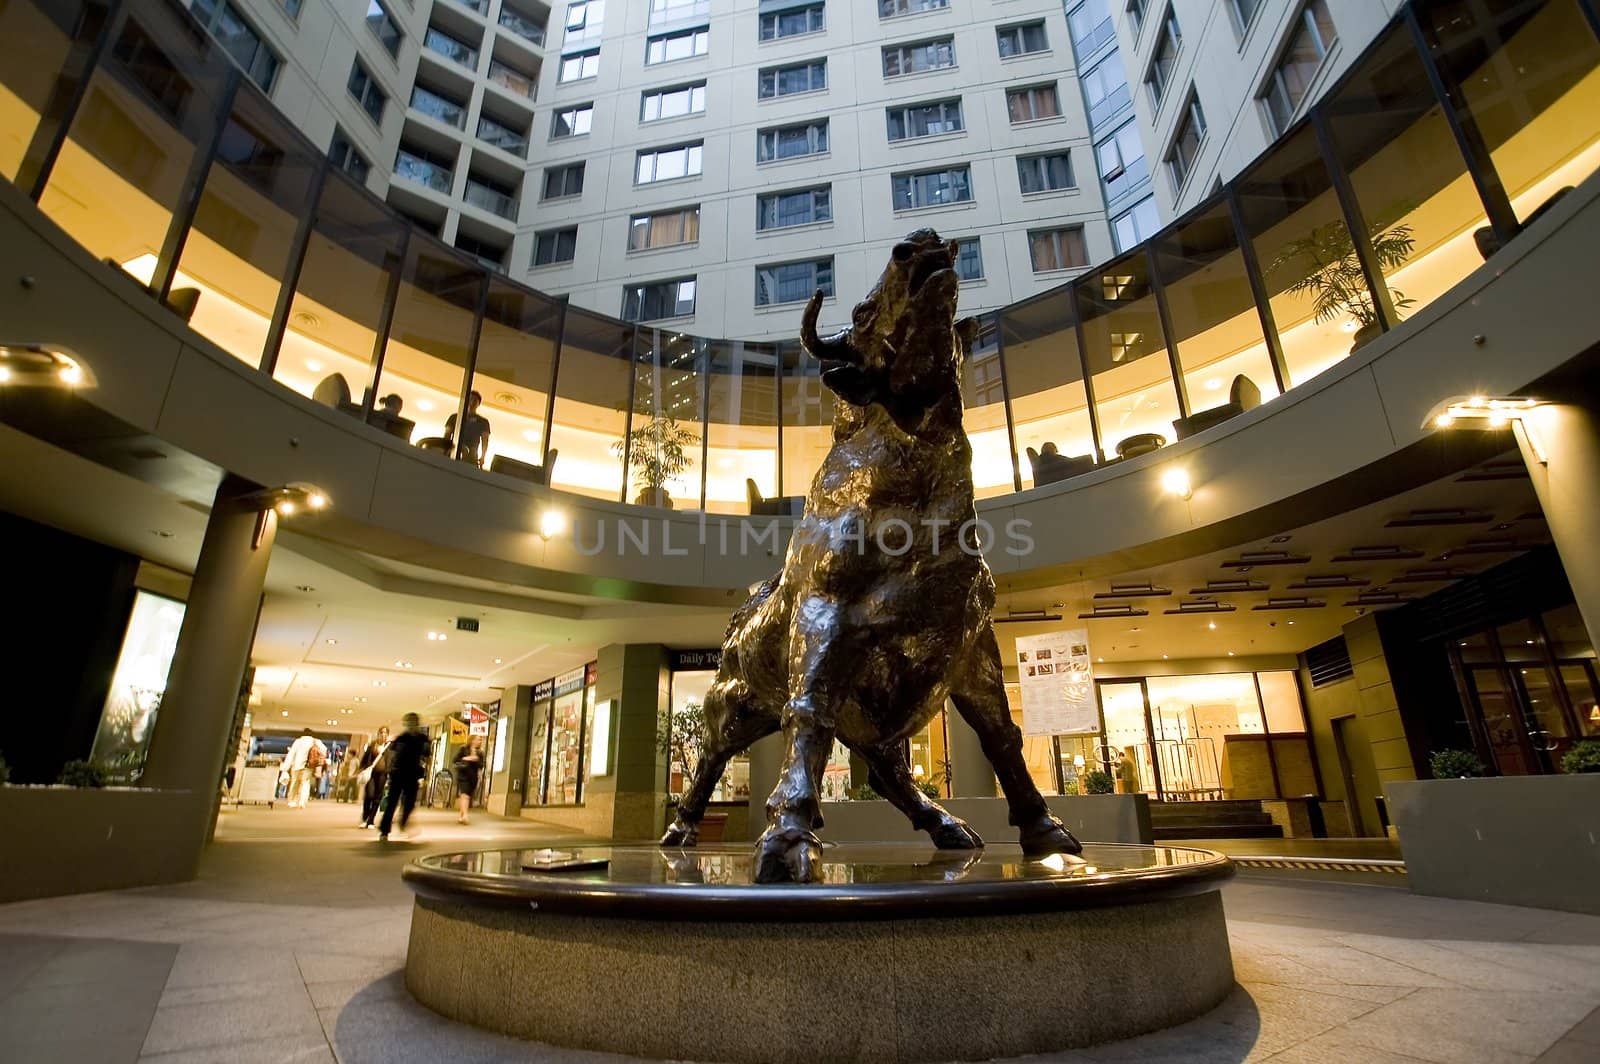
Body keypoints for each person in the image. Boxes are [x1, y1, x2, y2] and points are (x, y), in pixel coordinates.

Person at [377, 714, 431, 842]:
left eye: (413, 722)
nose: (411, 725)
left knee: (410, 803)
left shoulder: (422, 738)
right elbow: (393, 755)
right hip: (398, 773)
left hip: (412, 774)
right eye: (409, 722)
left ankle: (403, 822)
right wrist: (390, 771)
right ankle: (385, 830)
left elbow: (427, 755)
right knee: (392, 802)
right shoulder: (402, 738)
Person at [443, 391, 491, 468]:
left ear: (478, 404)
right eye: (470, 399)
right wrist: (444, 450)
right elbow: (447, 435)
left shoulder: (483, 421)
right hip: (454, 450)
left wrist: (483, 457)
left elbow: (485, 440)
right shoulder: (455, 417)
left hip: (471, 455)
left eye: (475, 400)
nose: (472, 402)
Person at [282, 729, 327, 809]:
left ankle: (292, 801)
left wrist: (285, 768)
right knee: (305, 783)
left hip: (296, 765)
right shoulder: (315, 741)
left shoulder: (298, 741)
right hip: (308, 766)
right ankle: (302, 802)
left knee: (294, 783)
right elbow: (324, 749)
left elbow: (291, 754)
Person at [356, 726, 391, 828]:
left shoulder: (388, 747)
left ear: (387, 735)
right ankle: (365, 817)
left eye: (385, 733)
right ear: (378, 733)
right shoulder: (372, 745)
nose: (383, 734)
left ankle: (371, 821)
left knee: (377, 797)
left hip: (382, 775)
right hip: (371, 774)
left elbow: (391, 761)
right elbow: (365, 758)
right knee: (369, 795)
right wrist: (361, 769)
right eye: (381, 732)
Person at [453, 734, 485, 825]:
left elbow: (481, 765)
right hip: (463, 775)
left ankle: (461, 815)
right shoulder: (463, 749)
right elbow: (455, 760)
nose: (479, 741)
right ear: (472, 740)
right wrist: (467, 758)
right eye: (478, 739)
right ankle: (465, 815)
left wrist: (476, 760)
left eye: (480, 740)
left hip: (473, 777)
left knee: (466, 796)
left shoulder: (480, 753)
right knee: (465, 795)